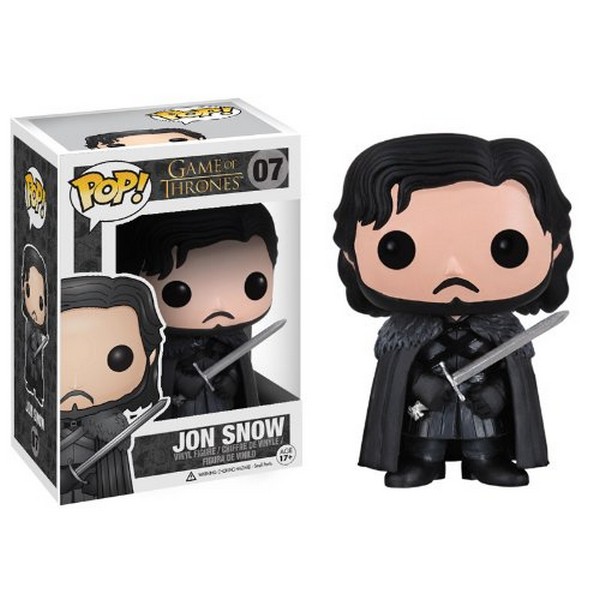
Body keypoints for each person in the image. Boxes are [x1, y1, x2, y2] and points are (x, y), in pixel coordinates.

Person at [333, 134, 572, 487]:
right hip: (429, 406)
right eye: (396, 248)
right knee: (426, 435)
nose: (453, 271)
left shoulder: (504, 331)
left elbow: (510, 371)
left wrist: (497, 393)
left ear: (554, 249)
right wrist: (420, 383)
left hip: (480, 404)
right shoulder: (403, 332)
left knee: (483, 433)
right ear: (352, 256)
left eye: (507, 247)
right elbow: (399, 371)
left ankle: (485, 459)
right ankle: (423, 459)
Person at [117, 204, 278, 417]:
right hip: (181, 410)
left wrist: (231, 380)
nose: (218, 306)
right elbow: (148, 376)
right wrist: (180, 380)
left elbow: (240, 368)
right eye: (177, 292)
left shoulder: (234, 338)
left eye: (254, 283)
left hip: (222, 408)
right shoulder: (155, 344)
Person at [60, 275, 163, 503]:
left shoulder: (112, 429)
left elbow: (115, 478)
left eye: (118, 358)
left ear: (150, 355)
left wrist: (99, 483)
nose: (76, 384)